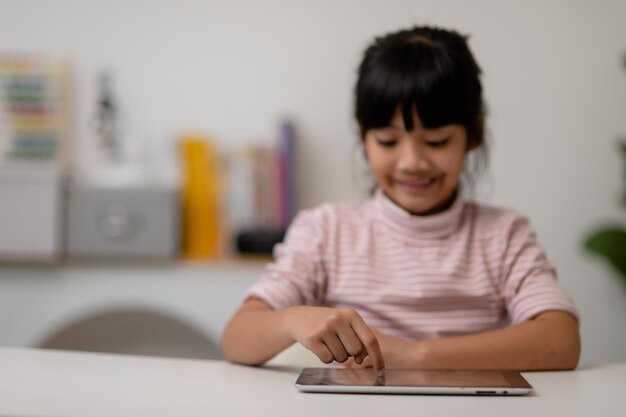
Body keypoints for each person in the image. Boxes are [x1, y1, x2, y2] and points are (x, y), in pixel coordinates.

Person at [221, 25, 580, 375]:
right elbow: (236, 338)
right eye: (388, 142)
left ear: (473, 135)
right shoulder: (325, 230)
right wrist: (292, 319)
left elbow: (561, 340)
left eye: (436, 141)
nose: (412, 163)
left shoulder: (503, 234)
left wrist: (413, 355)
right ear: (364, 137)